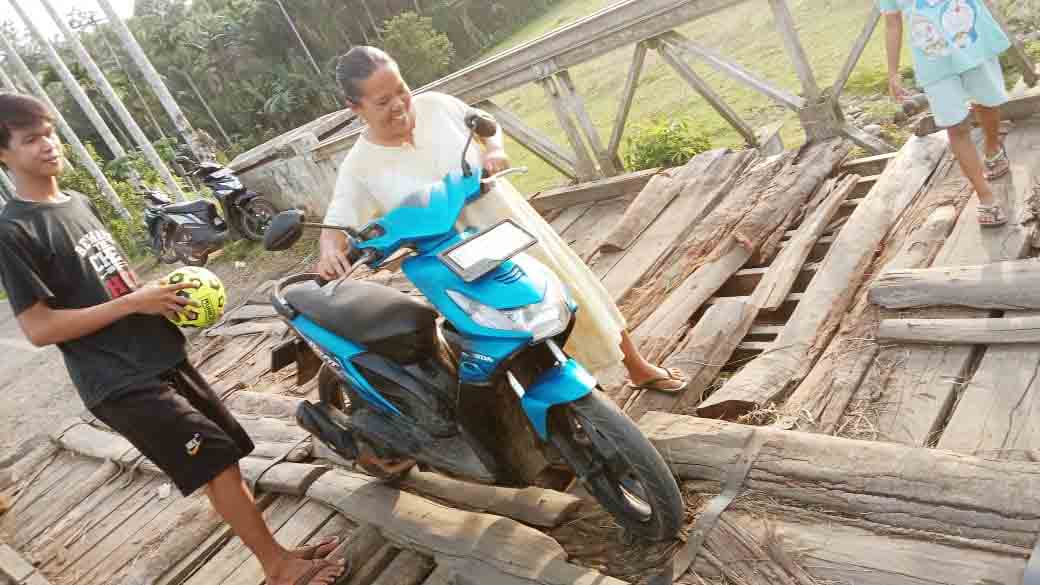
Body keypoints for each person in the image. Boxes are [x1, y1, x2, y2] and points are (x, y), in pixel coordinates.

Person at [0, 93, 346, 585]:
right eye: (30, 139)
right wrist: (131, 304)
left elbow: (112, 284)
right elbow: (39, 328)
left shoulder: (77, 204)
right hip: (116, 377)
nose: (48, 145)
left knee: (222, 455)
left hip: (158, 353)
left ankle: (278, 553)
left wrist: (160, 295)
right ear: (4, 153)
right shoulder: (13, 230)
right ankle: (277, 566)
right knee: (216, 462)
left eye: (50, 132)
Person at [317, 48, 688, 404]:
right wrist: (330, 250)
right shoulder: (359, 165)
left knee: (570, 289)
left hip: (505, 224)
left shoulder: (437, 106)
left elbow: (485, 127)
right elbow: (338, 218)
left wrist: (493, 150)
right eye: (382, 102)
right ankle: (576, 411)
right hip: (453, 261)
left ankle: (637, 367)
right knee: (507, 333)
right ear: (356, 107)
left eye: (401, 90)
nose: (399, 104)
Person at [881, 0, 1012, 226]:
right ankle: (985, 196)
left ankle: (992, 148)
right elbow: (892, 22)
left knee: (988, 104)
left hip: (973, 42)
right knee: (956, 126)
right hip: (932, 61)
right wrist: (892, 72)